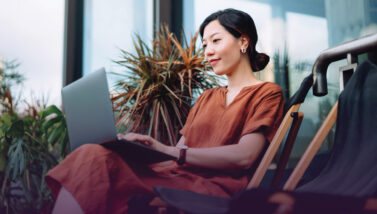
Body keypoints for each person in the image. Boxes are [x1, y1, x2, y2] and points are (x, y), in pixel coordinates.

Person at [46, 8, 284, 214]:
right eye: (204, 45)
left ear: (243, 41)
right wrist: (144, 149)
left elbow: (245, 156)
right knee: (93, 154)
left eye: (216, 41)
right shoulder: (206, 98)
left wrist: (170, 151)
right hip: (176, 177)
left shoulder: (267, 93)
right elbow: (179, 151)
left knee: (94, 162)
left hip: (212, 188)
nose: (208, 51)